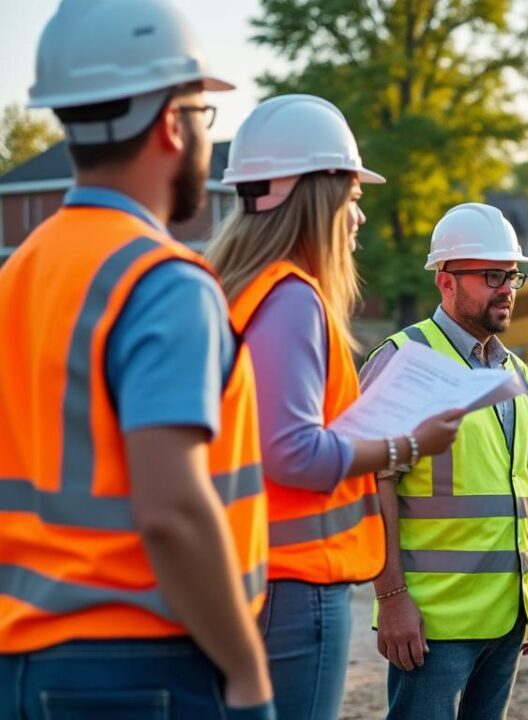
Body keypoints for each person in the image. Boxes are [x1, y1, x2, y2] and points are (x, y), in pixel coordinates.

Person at [0, 1, 275, 717]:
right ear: (168, 123)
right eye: (201, 115)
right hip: (144, 665)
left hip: (22, 660)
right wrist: (246, 669)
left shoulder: (19, 273)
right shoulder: (163, 283)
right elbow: (172, 510)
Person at [205, 94, 464, 720]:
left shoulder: (226, 291)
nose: (359, 219)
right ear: (318, 198)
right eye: (353, 200)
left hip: (242, 572)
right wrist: (409, 444)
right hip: (294, 589)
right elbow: (292, 453)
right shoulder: (292, 300)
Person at [360, 202, 528, 720]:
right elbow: (371, 488)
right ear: (446, 281)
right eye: (491, 276)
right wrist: (391, 597)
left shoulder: (515, 373)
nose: (507, 288)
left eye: (512, 275)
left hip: (507, 617)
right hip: (432, 625)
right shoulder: (404, 361)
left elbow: (516, 494)